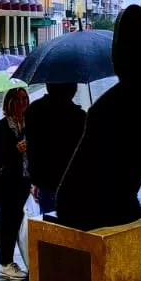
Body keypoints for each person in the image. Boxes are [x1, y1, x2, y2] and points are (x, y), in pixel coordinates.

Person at [55, 5, 141, 231]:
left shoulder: (104, 110)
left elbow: (67, 199)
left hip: (100, 217)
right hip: (128, 210)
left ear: (117, 56)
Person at [0, 87, 32, 281]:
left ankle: (11, 261)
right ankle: (5, 263)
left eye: (24, 99)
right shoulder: (2, 126)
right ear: (9, 103)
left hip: (23, 181)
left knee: (16, 221)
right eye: (17, 99)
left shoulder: (27, 124)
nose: (22, 103)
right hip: (6, 183)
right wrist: (15, 149)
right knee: (6, 221)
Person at [25, 82, 87, 215]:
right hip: (75, 187)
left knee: (50, 231)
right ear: (72, 89)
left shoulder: (33, 111)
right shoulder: (81, 117)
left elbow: (32, 152)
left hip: (45, 184)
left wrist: (35, 181)